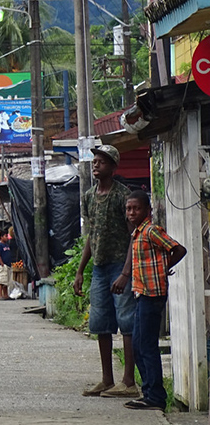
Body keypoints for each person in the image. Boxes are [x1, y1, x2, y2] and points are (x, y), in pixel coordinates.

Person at [72, 145, 137, 399]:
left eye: (101, 161)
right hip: (99, 267)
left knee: (127, 321)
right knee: (100, 324)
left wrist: (126, 272)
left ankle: (128, 380)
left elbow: (134, 236)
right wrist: (80, 270)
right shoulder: (88, 196)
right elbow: (91, 235)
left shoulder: (124, 197)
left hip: (120, 266)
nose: (95, 165)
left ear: (112, 167)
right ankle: (107, 379)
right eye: (94, 160)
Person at [112, 191, 186, 411]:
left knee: (146, 346)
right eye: (128, 209)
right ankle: (149, 392)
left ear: (147, 210)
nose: (132, 212)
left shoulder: (152, 231)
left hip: (153, 294)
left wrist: (165, 268)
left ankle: (155, 396)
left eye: (136, 208)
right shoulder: (137, 233)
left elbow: (178, 249)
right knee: (138, 344)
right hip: (141, 293)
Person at [0, 234, 12, 300]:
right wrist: (2, 264)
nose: (7, 238)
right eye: (5, 236)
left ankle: (6, 295)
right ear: (1, 237)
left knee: (6, 282)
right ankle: (0, 296)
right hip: (2, 265)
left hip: (8, 265)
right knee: (1, 281)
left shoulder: (7, 245)